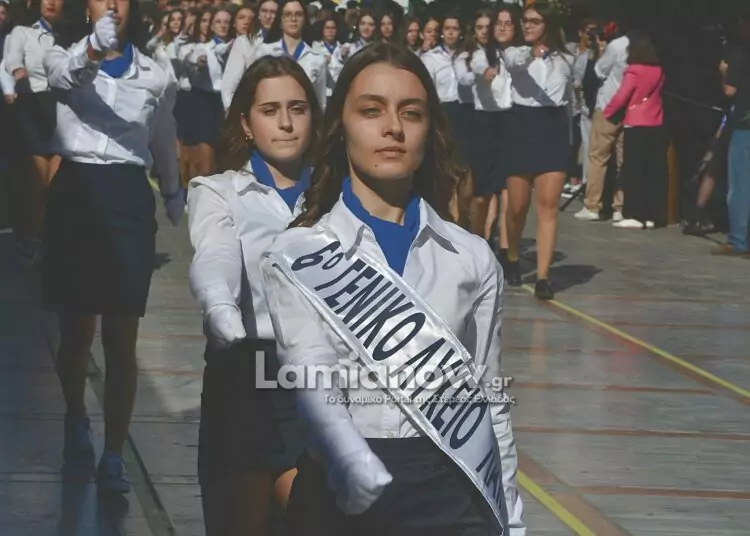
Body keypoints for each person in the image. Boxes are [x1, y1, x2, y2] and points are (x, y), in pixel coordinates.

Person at [260, 41, 524, 536]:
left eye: (411, 112)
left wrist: (511, 520)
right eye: (371, 110)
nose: (393, 127)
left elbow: (489, 403)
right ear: (341, 128)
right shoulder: (298, 252)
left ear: (429, 130)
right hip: (340, 493)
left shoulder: (472, 257)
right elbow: (310, 371)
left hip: (452, 494)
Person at [42, 0, 184, 493]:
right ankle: (76, 414)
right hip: (77, 192)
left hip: (126, 195)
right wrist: (92, 49)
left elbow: (163, 136)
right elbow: (63, 79)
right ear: (87, 8)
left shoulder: (155, 74)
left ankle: (114, 454)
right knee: (76, 332)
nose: (113, 5)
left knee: (122, 336)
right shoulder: (61, 52)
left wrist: (173, 192)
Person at [188, 55, 322, 536]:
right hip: (246, 370)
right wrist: (220, 307)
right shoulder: (218, 191)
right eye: (270, 110)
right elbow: (215, 253)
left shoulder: (339, 195)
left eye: (297, 108)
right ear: (246, 123)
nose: (286, 122)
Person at [502, 1, 574, 301]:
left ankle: (543, 276)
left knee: (548, 205)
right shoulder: (514, 52)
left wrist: (571, 140)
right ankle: (512, 254)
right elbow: (513, 64)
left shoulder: (566, 58)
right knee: (518, 206)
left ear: (548, 25)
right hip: (522, 125)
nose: (527, 26)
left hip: (553, 127)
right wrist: (531, 52)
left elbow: (570, 100)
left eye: (534, 21)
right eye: (525, 21)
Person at [3, 0, 65, 264]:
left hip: (62, 108)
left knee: (56, 184)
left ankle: (47, 238)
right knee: (37, 183)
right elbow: (11, 58)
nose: (51, 2)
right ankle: (30, 235)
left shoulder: (68, 37)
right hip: (33, 105)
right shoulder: (23, 32)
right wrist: (18, 71)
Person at [604, 32, 665, 230]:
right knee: (651, 169)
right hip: (655, 121)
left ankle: (633, 213)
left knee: (633, 169)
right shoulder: (659, 70)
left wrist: (608, 112)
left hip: (636, 122)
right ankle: (650, 215)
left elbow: (622, 95)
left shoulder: (634, 70)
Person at [249, 0, 327, 111]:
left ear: (305, 20)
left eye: (298, 14)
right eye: (288, 14)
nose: (293, 19)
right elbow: (251, 90)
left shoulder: (317, 59)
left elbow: (320, 102)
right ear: (280, 20)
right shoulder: (264, 52)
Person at [716, 8, 750, 256]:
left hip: (745, 124)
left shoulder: (741, 53)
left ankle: (738, 239)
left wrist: (723, 73)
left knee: (739, 184)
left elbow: (730, 90)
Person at [221, 0, 277, 109]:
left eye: (273, 12)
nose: (268, 16)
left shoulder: (288, 41)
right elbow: (230, 83)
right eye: (264, 11)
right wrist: (230, 109)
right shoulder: (245, 42)